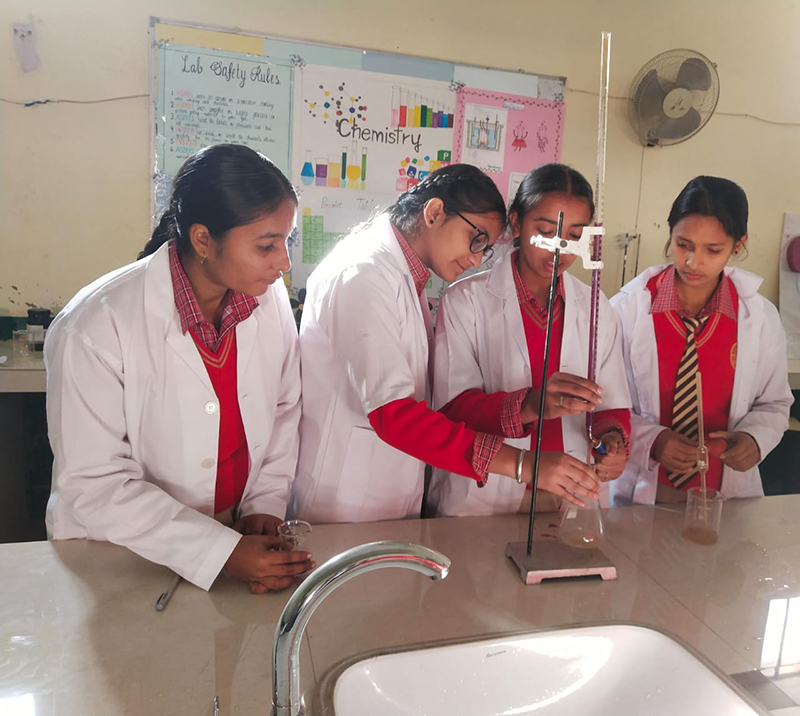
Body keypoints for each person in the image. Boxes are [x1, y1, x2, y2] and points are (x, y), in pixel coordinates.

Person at [45, 144, 313, 592]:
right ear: (203, 239)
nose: (283, 263)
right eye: (266, 246)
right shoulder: (95, 324)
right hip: (119, 552)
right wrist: (218, 552)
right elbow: (93, 484)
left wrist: (264, 504)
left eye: (286, 242)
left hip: (234, 532)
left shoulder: (266, 302)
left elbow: (285, 406)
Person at [292, 164, 600, 523]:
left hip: (384, 488)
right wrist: (522, 464)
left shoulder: (403, 276)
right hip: (345, 496)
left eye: (485, 249)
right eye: (476, 238)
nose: (475, 259)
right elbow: (394, 415)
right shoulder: (362, 274)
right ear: (435, 212)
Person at [430, 163, 631, 516]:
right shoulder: (465, 301)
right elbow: (452, 409)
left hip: (570, 492)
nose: (559, 249)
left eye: (574, 236)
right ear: (516, 223)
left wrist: (613, 441)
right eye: (546, 232)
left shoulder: (596, 307)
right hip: (485, 495)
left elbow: (611, 404)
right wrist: (530, 405)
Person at [610, 176, 793, 505]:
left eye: (713, 250)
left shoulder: (760, 318)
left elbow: (775, 403)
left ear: (738, 244)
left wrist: (755, 438)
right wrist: (653, 441)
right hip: (643, 490)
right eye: (684, 245)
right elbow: (604, 402)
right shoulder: (626, 310)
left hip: (726, 493)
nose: (694, 262)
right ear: (670, 233)